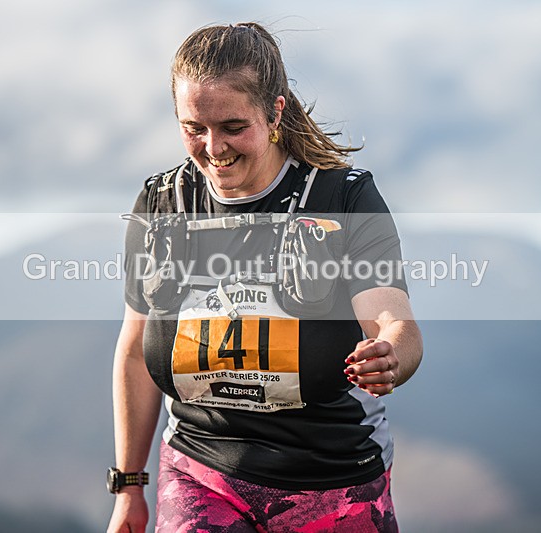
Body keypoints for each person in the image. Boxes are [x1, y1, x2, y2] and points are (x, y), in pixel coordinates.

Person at [108, 22, 423, 533]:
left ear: (274, 112)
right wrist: (128, 488)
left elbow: (396, 323)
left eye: (233, 127)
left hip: (334, 479)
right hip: (199, 474)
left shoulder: (343, 198)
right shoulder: (161, 204)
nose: (214, 147)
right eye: (193, 127)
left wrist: (390, 355)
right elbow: (135, 350)